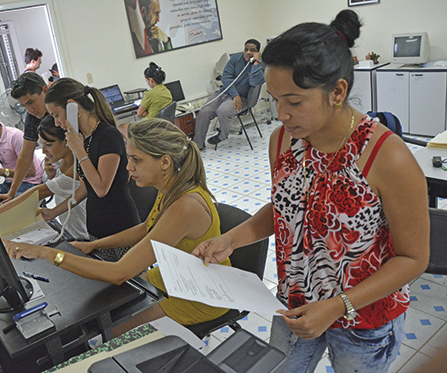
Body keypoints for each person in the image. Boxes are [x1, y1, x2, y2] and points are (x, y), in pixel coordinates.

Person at [192, 10, 429, 373]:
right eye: (274, 100)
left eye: (294, 101)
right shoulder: (283, 141)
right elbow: (288, 209)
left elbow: (413, 258)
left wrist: (337, 306)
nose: (281, 114)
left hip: (363, 317)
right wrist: (233, 239)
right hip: (295, 305)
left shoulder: (387, 157)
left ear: (336, 91)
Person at [6, 119, 231, 336]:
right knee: (106, 305)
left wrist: (48, 253)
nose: (128, 166)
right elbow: (145, 229)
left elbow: (119, 273)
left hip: (200, 295)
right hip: (177, 277)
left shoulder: (185, 205)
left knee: (110, 332)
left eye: (136, 159)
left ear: (164, 162)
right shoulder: (171, 190)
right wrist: (93, 245)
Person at [43, 78, 140, 259]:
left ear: (72, 107)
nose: (56, 123)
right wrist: (53, 213)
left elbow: (101, 188)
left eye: (56, 115)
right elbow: (85, 188)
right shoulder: (85, 139)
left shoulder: (109, 136)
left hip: (119, 230)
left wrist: (79, 151)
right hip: (97, 230)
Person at [0, 115, 88, 240]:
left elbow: (41, 191)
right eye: (42, 145)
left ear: (68, 140)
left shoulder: (79, 167)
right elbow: (61, 190)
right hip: (71, 231)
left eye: (49, 145)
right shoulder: (60, 164)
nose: (44, 151)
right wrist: (52, 175)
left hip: (85, 236)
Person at [0, 72, 50, 206]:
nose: (30, 110)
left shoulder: (62, 109)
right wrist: (12, 192)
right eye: (24, 106)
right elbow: (25, 156)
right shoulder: (32, 117)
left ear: (44, 90)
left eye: (31, 102)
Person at [193, 39, 265, 150]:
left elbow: (255, 82)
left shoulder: (260, 65)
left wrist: (256, 62)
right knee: (204, 112)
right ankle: (198, 145)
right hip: (225, 93)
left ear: (257, 52)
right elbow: (226, 78)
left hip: (243, 98)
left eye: (252, 50)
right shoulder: (235, 59)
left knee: (223, 111)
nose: (248, 53)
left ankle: (222, 136)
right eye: (246, 49)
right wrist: (234, 94)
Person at [118, 62, 173, 137]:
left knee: (121, 127)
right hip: (161, 126)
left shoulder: (149, 94)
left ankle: (135, 145)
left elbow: (139, 114)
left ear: (151, 80)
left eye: (146, 81)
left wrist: (144, 112)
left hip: (148, 126)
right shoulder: (167, 91)